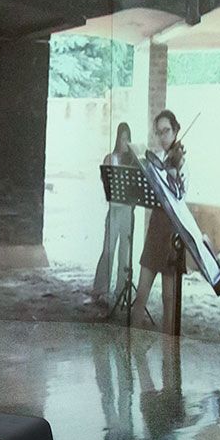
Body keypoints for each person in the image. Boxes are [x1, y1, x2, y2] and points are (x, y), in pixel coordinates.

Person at [137, 109, 186, 322]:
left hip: (172, 232)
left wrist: (176, 175)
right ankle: (131, 337)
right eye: (159, 132)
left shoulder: (183, 160)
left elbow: (181, 196)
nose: (163, 137)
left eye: (166, 131)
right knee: (141, 293)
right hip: (156, 227)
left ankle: (168, 342)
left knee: (169, 299)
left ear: (175, 131)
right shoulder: (157, 159)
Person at [89, 122, 140, 307]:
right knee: (108, 250)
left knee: (124, 254)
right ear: (117, 139)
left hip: (128, 210)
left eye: (127, 139)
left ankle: (120, 291)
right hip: (114, 210)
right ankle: (101, 289)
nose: (124, 142)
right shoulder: (110, 158)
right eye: (122, 138)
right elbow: (106, 185)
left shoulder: (132, 162)